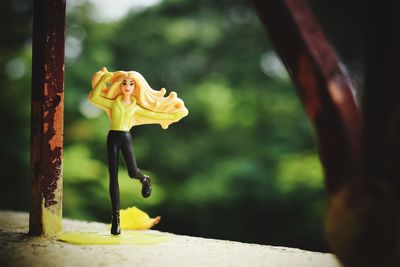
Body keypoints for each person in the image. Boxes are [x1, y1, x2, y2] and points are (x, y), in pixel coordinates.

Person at [89, 67, 188, 235]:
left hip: (125, 137)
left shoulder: (135, 107)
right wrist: (103, 80)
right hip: (112, 137)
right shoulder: (114, 103)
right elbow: (94, 97)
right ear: (120, 86)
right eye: (124, 83)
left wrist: (174, 116)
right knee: (112, 177)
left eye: (131, 84)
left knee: (131, 172)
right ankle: (116, 220)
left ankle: (144, 178)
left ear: (136, 87)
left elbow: (155, 116)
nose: (127, 86)